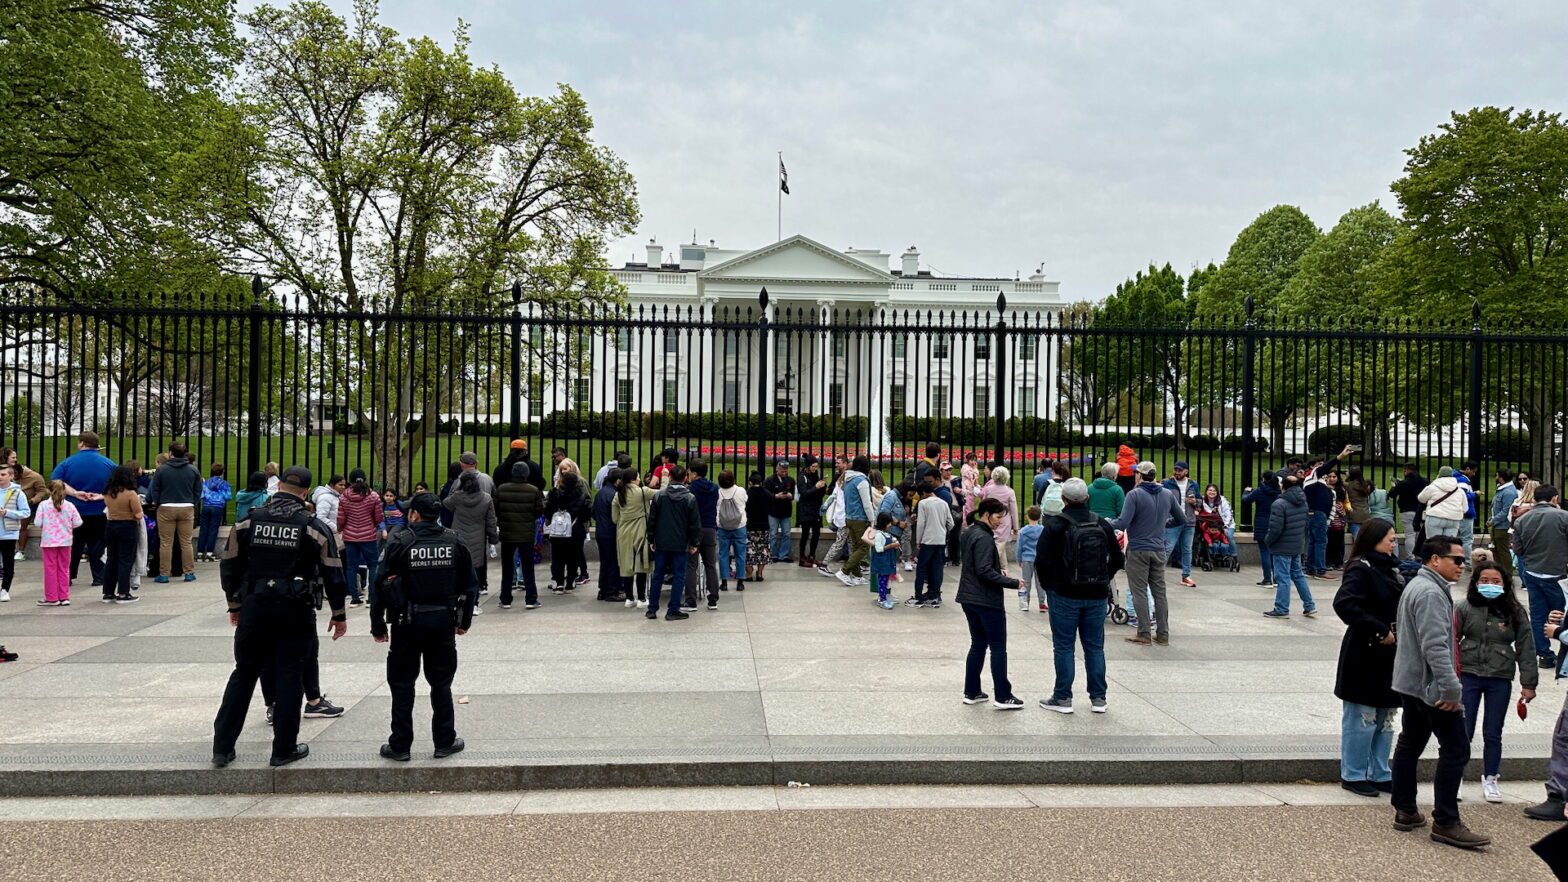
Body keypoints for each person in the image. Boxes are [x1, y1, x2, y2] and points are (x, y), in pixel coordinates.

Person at [212, 466, 348, 768]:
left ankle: (222, 746)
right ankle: (283, 748)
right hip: (294, 608)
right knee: (289, 674)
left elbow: (229, 564)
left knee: (244, 672)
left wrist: (234, 604)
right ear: (305, 493)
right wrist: (339, 614)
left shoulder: (248, 521)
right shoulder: (312, 526)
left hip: (255, 606)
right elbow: (334, 572)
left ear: (280, 486)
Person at [1389, 535, 1488, 850]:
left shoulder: (1420, 586)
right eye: (1457, 560)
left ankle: (1405, 809)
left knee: (1411, 743)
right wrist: (1450, 687)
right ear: (1435, 560)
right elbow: (1435, 645)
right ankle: (1446, 821)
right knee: (1456, 749)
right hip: (1431, 686)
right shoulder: (1431, 592)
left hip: (1411, 682)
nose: (1463, 565)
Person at [371, 492, 477, 762]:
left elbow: (380, 585)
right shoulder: (454, 541)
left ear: (414, 515)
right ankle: (444, 741)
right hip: (442, 620)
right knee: (441, 683)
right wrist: (464, 621)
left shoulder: (400, 541)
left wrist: (377, 625)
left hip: (407, 622)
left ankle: (400, 745)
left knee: (402, 684)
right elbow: (470, 585)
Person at [1036, 478, 1124, 714]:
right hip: (1096, 593)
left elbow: (1041, 561)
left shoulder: (1056, 525)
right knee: (1094, 647)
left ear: (1063, 499)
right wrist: (1104, 578)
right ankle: (1098, 698)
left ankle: (1063, 697)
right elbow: (1118, 559)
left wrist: (1050, 587)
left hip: (1064, 593)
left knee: (1064, 646)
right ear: (1087, 498)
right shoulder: (1102, 524)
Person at [1332, 519, 1405, 797]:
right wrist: (1378, 628)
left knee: (1386, 717)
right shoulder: (1361, 569)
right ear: (1374, 539)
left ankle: (1379, 771)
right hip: (1365, 651)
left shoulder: (1392, 569)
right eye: (1389, 538)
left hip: (1390, 653)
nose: (1393, 543)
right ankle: (1353, 772)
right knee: (1362, 717)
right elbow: (1344, 603)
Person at [1456, 561, 1537, 804]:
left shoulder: (1514, 611)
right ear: (1476, 582)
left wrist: (1529, 683)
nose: (1490, 585)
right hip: (1468, 674)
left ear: (1505, 583)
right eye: (1485, 581)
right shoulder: (1464, 607)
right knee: (1463, 729)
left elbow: (1526, 646)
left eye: (1496, 581)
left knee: (1493, 731)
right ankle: (1455, 775)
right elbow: (1451, 641)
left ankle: (1490, 777)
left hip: (1499, 675)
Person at [956, 497, 1024, 709]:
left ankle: (972, 690)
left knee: (978, 644)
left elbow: (977, 565)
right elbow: (984, 570)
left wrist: (996, 571)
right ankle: (1003, 695)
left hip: (969, 596)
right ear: (986, 514)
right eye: (997, 517)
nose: (1000, 522)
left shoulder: (970, 533)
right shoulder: (984, 538)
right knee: (997, 647)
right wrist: (1012, 582)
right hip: (985, 599)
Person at [1114, 462, 1181, 646]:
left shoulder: (1134, 495)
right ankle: (1162, 634)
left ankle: (1143, 633)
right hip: (1159, 549)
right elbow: (1181, 518)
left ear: (1139, 475)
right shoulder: (1167, 494)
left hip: (1138, 549)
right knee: (1160, 593)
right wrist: (1163, 525)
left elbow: (1122, 522)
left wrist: (1104, 524)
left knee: (1139, 591)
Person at [49, 431, 116, 586]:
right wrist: (101, 495)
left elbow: (55, 481)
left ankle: (68, 576)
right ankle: (99, 577)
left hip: (75, 510)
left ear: (81, 443)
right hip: (100, 510)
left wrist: (75, 493)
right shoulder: (108, 463)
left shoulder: (68, 463)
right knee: (98, 545)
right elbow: (119, 483)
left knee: (73, 545)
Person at [1513, 485, 1568, 670]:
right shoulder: (1563, 517)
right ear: (1555, 498)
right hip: (1557, 573)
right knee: (1563, 614)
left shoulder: (1522, 519)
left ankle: (1544, 654)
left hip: (1532, 572)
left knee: (1538, 615)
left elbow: (1518, 550)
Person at [646, 464, 699, 621]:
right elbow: (694, 523)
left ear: (669, 477)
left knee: (658, 575)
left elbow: (652, 520)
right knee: (679, 576)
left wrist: (651, 538)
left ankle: (652, 608)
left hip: (661, 541)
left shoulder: (659, 496)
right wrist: (694, 542)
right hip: (680, 542)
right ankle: (673, 609)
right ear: (685, 479)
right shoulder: (690, 498)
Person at [1263, 475, 1317, 619]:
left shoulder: (1279, 503)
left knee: (1283, 578)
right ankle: (1309, 605)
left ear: (1283, 486)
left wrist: (1268, 540)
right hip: (1296, 545)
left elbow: (1275, 528)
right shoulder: (1303, 502)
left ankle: (1282, 609)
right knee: (1298, 575)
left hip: (1282, 546)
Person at [147, 443, 202, 584]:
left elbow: (155, 489)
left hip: (166, 507)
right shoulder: (193, 470)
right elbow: (198, 490)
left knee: (166, 542)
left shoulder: (162, 470)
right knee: (186, 542)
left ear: (170, 453)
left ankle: (164, 573)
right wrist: (192, 502)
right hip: (187, 507)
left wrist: (158, 502)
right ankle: (189, 572)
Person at [441, 471, 498, 607]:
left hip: (459, 535)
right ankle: (474, 602)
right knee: (475, 570)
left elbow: (446, 503)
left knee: (458, 568)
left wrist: (457, 489)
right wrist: (493, 539)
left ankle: (458, 598)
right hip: (478, 536)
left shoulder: (457, 497)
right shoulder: (486, 498)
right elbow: (491, 521)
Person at [495, 461, 543, 609]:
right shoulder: (533, 490)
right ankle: (530, 599)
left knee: (507, 567)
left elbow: (496, 509)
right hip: (526, 534)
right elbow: (538, 511)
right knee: (528, 568)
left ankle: (505, 598)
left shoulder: (501, 489)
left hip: (507, 533)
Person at [1303, 446, 1353, 579]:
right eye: (1319, 464)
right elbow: (1327, 466)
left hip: (1315, 514)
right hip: (1318, 514)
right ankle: (1320, 570)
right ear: (1313, 466)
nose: (1322, 467)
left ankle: (1311, 568)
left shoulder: (1316, 481)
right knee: (1320, 541)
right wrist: (1341, 456)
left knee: (1314, 541)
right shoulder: (1314, 475)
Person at [337, 469, 383, 607]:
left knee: (351, 566)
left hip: (350, 536)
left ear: (350, 480)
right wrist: (372, 525)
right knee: (373, 565)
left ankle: (354, 598)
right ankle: (372, 597)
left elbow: (341, 518)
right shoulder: (373, 496)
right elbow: (379, 517)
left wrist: (342, 529)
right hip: (368, 535)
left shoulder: (344, 497)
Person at [611, 468, 655, 607]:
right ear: (634, 479)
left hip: (623, 532)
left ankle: (629, 598)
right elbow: (662, 493)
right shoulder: (642, 492)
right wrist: (665, 478)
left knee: (626, 565)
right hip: (640, 530)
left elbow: (614, 518)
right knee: (641, 564)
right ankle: (642, 598)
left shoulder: (618, 494)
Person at [34, 480, 80, 606]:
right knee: (64, 569)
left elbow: (37, 523)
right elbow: (78, 522)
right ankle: (64, 596)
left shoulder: (44, 505)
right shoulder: (70, 505)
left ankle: (52, 597)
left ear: (49, 490)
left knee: (50, 569)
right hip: (65, 541)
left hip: (49, 541)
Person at [101, 466, 142, 603]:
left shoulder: (108, 493)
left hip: (111, 525)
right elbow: (138, 514)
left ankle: (108, 592)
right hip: (127, 526)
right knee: (125, 560)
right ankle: (123, 592)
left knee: (111, 559)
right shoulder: (130, 494)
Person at [542, 470, 587, 595]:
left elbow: (547, 510)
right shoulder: (581, 495)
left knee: (557, 558)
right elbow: (586, 513)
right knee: (573, 557)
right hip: (575, 530)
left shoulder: (554, 494)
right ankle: (570, 582)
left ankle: (558, 582)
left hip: (557, 531)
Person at [911, 483, 954, 607]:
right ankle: (935, 593)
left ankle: (918, 594)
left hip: (927, 540)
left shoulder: (923, 503)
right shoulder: (943, 503)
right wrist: (943, 531)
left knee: (922, 568)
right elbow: (950, 523)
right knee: (937, 568)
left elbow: (921, 524)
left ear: (924, 492)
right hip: (940, 540)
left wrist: (918, 541)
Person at [685, 461, 720, 611]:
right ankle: (713, 598)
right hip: (710, 527)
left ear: (694, 473)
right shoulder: (714, 488)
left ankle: (691, 600)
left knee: (691, 565)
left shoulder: (691, 489)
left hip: (695, 528)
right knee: (710, 564)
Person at [1161, 460, 1199, 587]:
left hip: (1189, 521)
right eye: (1175, 470)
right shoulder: (1167, 483)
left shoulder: (1193, 484)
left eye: (1180, 470)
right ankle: (1158, 573)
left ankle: (1186, 575)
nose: (1177, 472)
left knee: (1187, 549)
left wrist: (1195, 501)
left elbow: (1200, 501)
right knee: (1167, 548)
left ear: (1186, 471)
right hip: (1173, 520)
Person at [976, 466, 1021, 573]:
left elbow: (983, 504)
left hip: (990, 519)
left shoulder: (988, 489)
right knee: (1000, 544)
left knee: (1000, 545)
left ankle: (1004, 568)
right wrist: (1015, 527)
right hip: (1004, 522)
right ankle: (991, 566)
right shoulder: (1010, 491)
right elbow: (1013, 511)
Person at [590, 464, 624, 602]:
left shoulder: (601, 493)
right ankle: (611, 591)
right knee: (613, 562)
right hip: (611, 532)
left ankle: (603, 589)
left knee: (605, 562)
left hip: (601, 532)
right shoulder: (614, 495)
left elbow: (593, 513)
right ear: (617, 480)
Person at [1417, 467, 1469, 557]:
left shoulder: (1433, 486)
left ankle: (1434, 566)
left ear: (1439, 474)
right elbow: (1465, 508)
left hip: (1434, 517)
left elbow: (1421, 498)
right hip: (1453, 519)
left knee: (1434, 545)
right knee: (1448, 546)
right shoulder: (1459, 490)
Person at [1243, 472, 1282, 587]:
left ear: (1264, 479)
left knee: (1265, 551)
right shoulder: (1278, 492)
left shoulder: (1260, 491)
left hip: (1261, 523)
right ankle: (1276, 578)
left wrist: (1247, 491)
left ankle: (1267, 578)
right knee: (1274, 552)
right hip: (1275, 523)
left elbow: (1246, 500)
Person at [0, 464, 32, 602]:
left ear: (11, 476)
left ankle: (5, 589)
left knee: (8, 562)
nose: (0, 477)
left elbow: (26, 512)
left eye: (3, 475)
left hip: (8, 533)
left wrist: (7, 512)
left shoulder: (17, 492)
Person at [715, 469, 749, 593]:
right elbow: (745, 500)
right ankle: (740, 581)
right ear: (733, 480)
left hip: (723, 526)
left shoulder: (718, 492)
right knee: (740, 554)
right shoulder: (740, 491)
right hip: (739, 525)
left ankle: (724, 581)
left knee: (723, 554)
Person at [1388, 464, 1429, 559]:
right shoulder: (1424, 481)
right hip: (1421, 511)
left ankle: (1410, 556)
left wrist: (1395, 485)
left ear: (1406, 470)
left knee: (1410, 534)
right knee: (1420, 535)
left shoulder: (1404, 483)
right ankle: (1420, 555)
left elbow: (1392, 495)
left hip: (1406, 510)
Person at [196, 463, 232, 563]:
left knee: (203, 529)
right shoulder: (225, 483)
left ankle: (199, 553)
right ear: (223, 472)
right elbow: (228, 497)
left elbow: (202, 495)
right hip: (218, 507)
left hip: (207, 506)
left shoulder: (206, 482)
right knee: (213, 530)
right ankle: (209, 553)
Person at [763, 460, 795, 562]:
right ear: (777, 469)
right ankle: (773, 555)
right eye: (782, 470)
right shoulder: (769, 480)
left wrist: (790, 495)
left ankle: (783, 555)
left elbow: (794, 495)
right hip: (774, 511)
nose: (784, 472)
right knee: (773, 534)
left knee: (786, 533)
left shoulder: (790, 480)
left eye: (785, 470)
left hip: (786, 511)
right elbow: (766, 495)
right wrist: (776, 496)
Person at [796, 457, 827, 567]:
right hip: (805, 510)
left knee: (816, 533)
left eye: (816, 466)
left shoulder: (815, 476)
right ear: (807, 466)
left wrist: (823, 486)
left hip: (815, 509)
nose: (815, 468)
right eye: (813, 466)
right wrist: (816, 487)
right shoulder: (801, 477)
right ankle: (802, 557)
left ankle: (812, 556)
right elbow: (804, 493)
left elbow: (819, 493)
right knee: (805, 534)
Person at [1491, 468, 1519, 581]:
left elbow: (1506, 510)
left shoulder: (1508, 492)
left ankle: (1507, 575)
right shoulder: (1502, 489)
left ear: (1501, 478)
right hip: (1498, 525)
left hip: (1503, 526)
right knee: (1496, 549)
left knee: (1503, 551)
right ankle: (1499, 572)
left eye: (1497, 475)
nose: (1496, 477)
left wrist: (1494, 520)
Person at [745, 471, 772, 583]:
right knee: (763, 549)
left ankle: (749, 574)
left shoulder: (747, 493)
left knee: (749, 549)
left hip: (750, 525)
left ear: (750, 482)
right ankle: (760, 573)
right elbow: (771, 507)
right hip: (764, 525)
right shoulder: (767, 493)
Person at [1015, 506, 1044, 612]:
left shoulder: (1023, 531)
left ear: (1027, 517)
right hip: (1040, 559)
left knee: (1026, 582)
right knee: (1040, 582)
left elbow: (1019, 547)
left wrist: (1018, 559)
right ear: (1039, 516)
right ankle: (1042, 603)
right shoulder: (1043, 530)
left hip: (1027, 558)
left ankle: (1025, 603)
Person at [869, 511, 900, 610]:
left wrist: (894, 542)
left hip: (887, 562)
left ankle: (884, 596)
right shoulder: (879, 535)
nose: (890, 525)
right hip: (882, 563)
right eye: (888, 523)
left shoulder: (886, 534)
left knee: (886, 581)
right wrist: (891, 546)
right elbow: (879, 549)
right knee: (882, 581)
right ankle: (882, 599)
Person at [1198, 484, 1236, 557]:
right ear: (1206, 492)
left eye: (1214, 491)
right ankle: (1211, 554)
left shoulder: (1223, 501)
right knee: (1205, 536)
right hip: (1212, 526)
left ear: (1217, 492)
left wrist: (1225, 527)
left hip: (1227, 524)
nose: (1212, 492)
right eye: (1210, 490)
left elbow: (1229, 515)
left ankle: (1234, 555)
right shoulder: (1202, 501)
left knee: (1228, 536)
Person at [1325, 472, 1349, 570]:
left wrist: (1345, 510)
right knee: (1329, 542)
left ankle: (1338, 562)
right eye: (1329, 476)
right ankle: (1329, 562)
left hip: (1339, 519)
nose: (1332, 479)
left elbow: (1346, 502)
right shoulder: (1325, 488)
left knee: (1339, 542)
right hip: (1329, 519)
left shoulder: (1342, 489)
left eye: (1334, 476)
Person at [1344, 468, 1373, 539]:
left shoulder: (1349, 485)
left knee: (1357, 539)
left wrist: (1346, 477)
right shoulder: (1365, 485)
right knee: (1366, 539)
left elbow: (1341, 483)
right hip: (1365, 515)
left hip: (1354, 515)